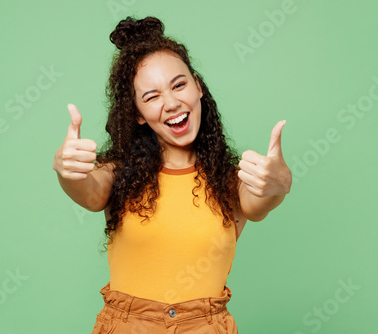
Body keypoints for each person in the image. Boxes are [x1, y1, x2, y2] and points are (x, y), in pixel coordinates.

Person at [53, 16, 292, 334]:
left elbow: (260, 200)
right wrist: (69, 169)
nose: (171, 103)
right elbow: (89, 190)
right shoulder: (119, 174)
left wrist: (280, 183)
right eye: (151, 97)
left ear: (198, 86)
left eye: (179, 85)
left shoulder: (231, 181)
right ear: (138, 113)